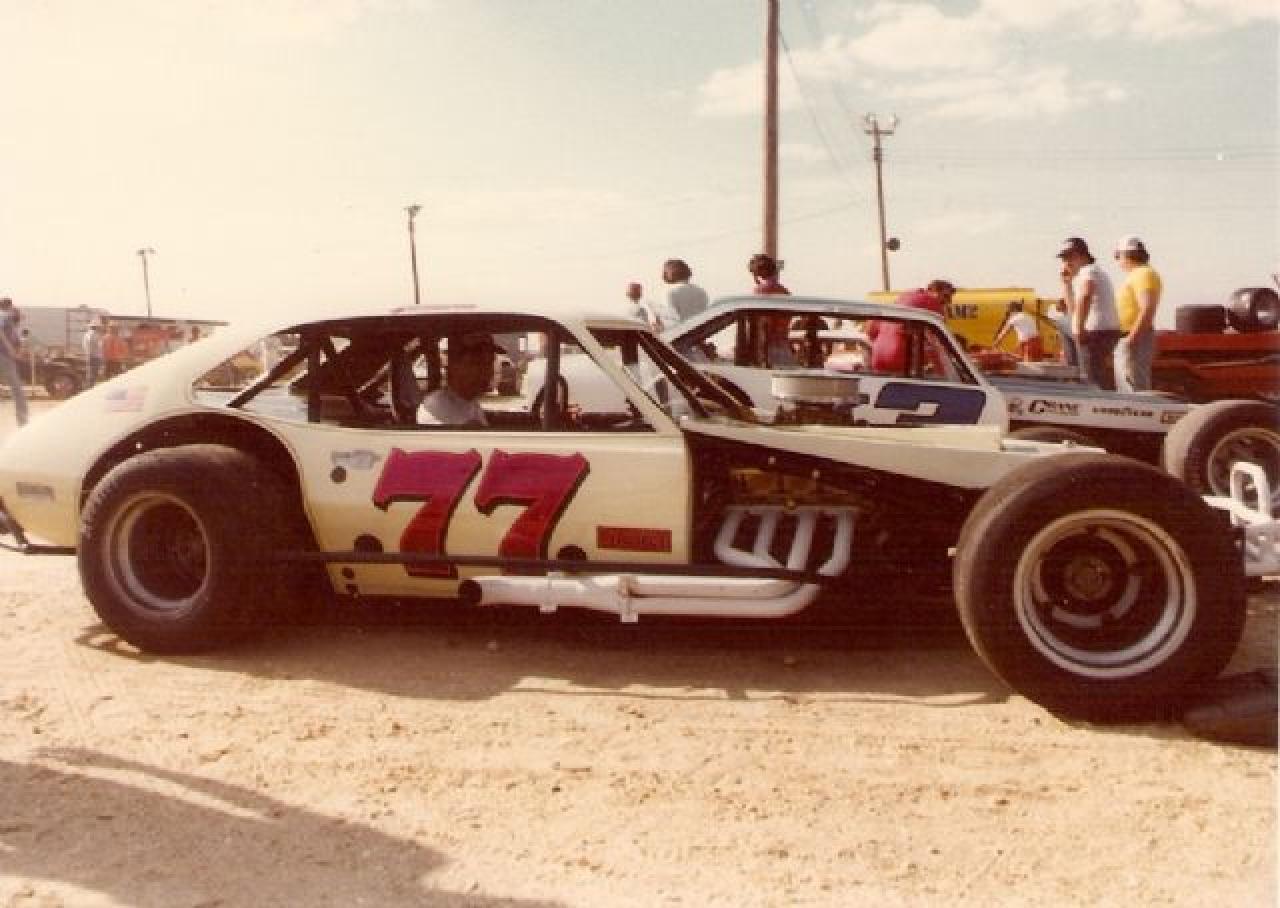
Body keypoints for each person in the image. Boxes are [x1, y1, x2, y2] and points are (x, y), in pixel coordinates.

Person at [1058, 236, 1121, 389]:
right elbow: (1073, 312)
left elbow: (1086, 295)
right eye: (1064, 259)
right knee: (1064, 322)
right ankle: (1074, 373)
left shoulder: (1089, 270)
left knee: (1093, 381)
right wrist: (1066, 284)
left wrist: (1079, 328)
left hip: (1096, 333)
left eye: (1071, 257)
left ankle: (1074, 375)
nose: (1067, 263)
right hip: (1102, 332)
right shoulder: (1090, 273)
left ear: (1084, 256)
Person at [868, 281, 954, 374]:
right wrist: (944, 374)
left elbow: (871, 331)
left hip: (878, 358)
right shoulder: (932, 302)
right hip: (900, 362)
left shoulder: (904, 297)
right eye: (946, 296)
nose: (948, 302)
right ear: (932, 291)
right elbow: (939, 343)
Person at [418, 333, 502, 427]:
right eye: (477, 363)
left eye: (489, 363)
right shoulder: (436, 406)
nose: (487, 371)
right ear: (455, 366)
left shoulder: (471, 403)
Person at [1112, 235, 1162, 392]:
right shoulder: (1139, 274)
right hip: (1134, 335)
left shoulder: (1143, 274)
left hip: (1135, 336)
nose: (1118, 261)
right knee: (1129, 384)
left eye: (1117, 256)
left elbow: (1147, 308)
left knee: (1133, 385)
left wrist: (1131, 339)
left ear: (1125, 255)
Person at [0, 298, 28, 425]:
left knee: (16, 386)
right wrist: (10, 348)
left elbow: (18, 342)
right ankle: (23, 418)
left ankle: (22, 417)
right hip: (4, 355)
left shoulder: (12, 327)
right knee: (16, 387)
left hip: (7, 357)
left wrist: (17, 351)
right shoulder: (4, 315)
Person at [662, 259, 709, 325]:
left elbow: (673, 321)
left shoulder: (672, 293)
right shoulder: (700, 290)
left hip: (686, 328)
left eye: (666, 272)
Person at [83, 321, 104, 387]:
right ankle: (92, 387)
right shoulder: (97, 335)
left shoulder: (86, 335)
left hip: (89, 356)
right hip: (96, 356)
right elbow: (100, 346)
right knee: (95, 374)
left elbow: (84, 345)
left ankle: (89, 386)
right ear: (96, 327)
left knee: (89, 373)